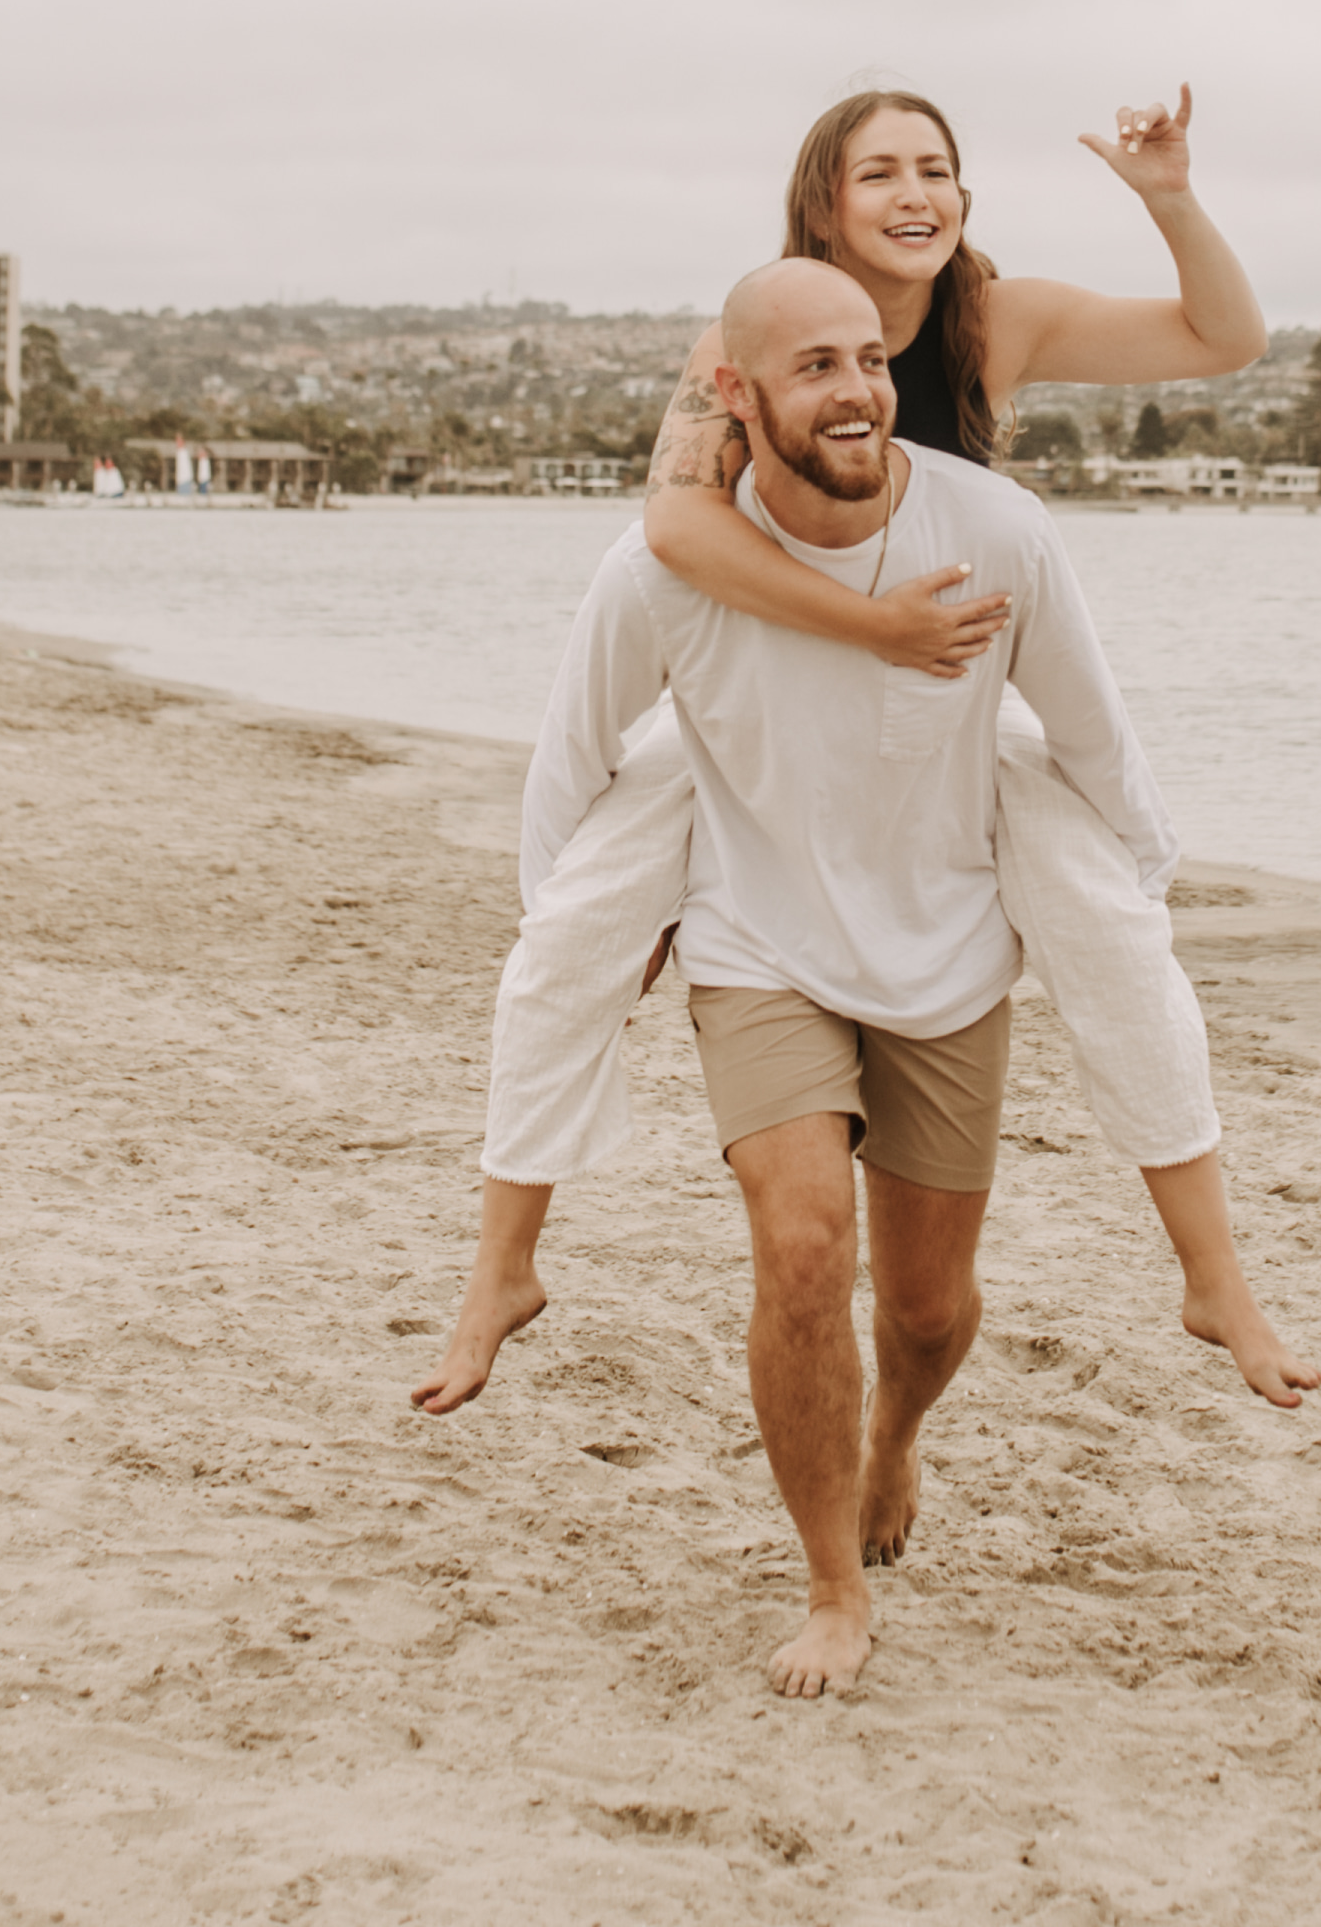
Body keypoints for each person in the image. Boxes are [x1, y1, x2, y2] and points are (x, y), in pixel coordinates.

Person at [420, 86, 1310, 1415]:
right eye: (881, 171)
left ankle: (1213, 1273)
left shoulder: (994, 321)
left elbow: (1224, 340)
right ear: (822, 204)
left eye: (939, 170)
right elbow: (675, 536)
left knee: (1116, 925)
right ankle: (503, 1265)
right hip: (766, 714)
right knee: (571, 928)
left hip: (940, 720)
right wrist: (871, 625)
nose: (916, 194)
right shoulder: (757, 330)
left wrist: (1166, 196)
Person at [513, 257, 1170, 1695]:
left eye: (872, 360)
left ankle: (897, 1437)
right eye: (816, 367)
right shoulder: (663, 565)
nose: (861, 390)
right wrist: (580, 943)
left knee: (928, 1312)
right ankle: (827, 1588)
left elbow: (1093, 740)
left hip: (946, 945)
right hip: (756, 940)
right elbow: (572, 757)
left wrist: (1128, 923)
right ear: (734, 397)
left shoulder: (995, 532)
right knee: (804, 1245)